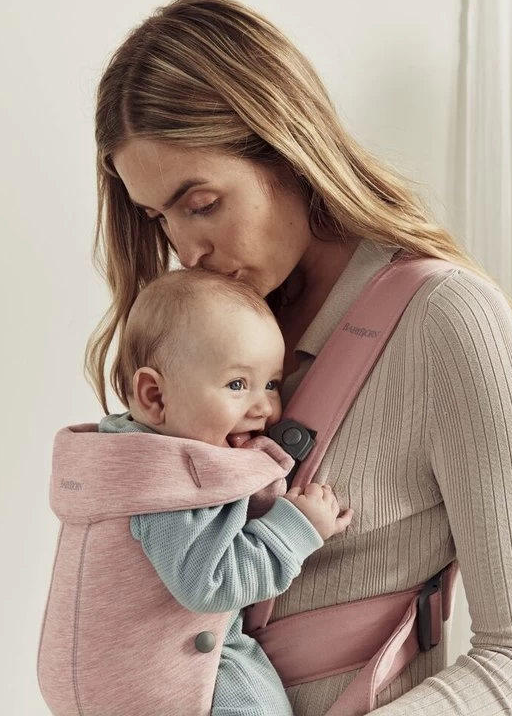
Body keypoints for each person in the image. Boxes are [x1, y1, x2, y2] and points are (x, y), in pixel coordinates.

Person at [85, 0, 512, 714]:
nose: (187, 250)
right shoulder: (212, 335)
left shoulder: (447, 320)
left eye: (202, 204)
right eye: (160, 218)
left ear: (285, 150)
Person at [99, 268, 354, 716]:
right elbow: (210, 583)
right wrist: (297, 529)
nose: (264, 407)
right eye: (237, 384)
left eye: (271, 384)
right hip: (189, 684)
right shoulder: (168, 483)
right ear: (155, 397)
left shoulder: (135, 459)